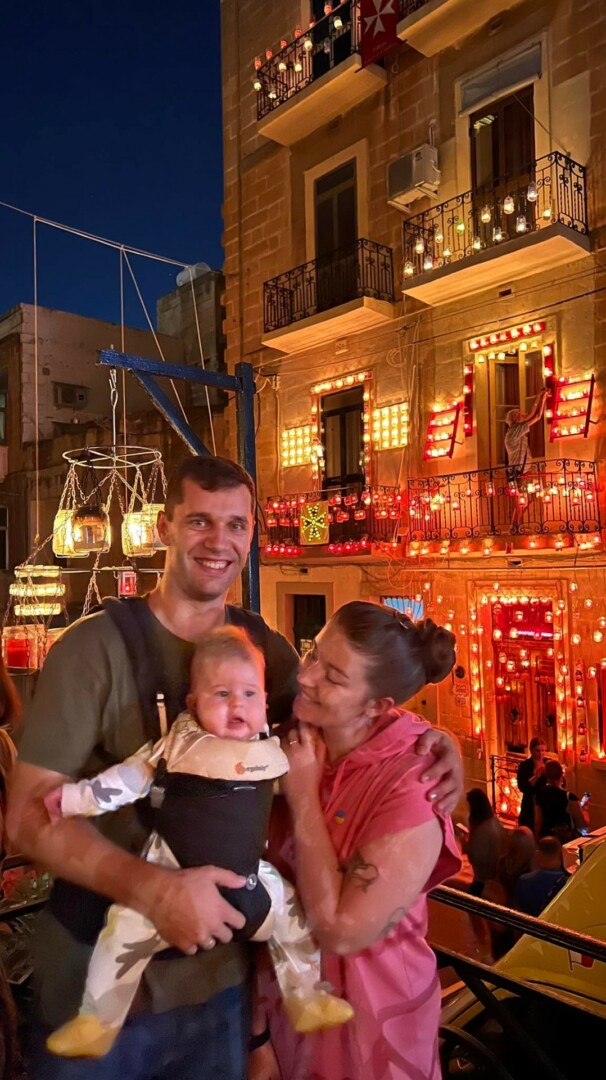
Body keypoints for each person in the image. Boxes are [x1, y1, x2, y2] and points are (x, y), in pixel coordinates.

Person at [7, 455, 464, 1080]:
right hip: (102, 988)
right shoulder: (92, 649)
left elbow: (348, 714)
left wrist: (433, 738)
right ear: (164, 527)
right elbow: (28, 817)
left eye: (236, 524)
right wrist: (153, 890)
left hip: (222, 991)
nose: (218, 541)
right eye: (199, 520)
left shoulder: (266, 651)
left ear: (251, 536)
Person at [44, 627, 351, 1058]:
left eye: (248, 694)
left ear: (265, 703)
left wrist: (417, 742)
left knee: (292, 917)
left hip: (249, 884)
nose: (237, 705)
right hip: (171, 878)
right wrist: (75, 799)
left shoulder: (274, 749)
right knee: (122, 932)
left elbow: (337, 752)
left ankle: (307, 998)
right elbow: (128, 780)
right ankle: (98, 1021)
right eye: (221, 694)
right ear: (193, 704)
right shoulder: (179, 744)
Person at [260, 601, 462, 1080]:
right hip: (279, 1014)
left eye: (332, 676)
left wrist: (303, 795)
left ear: (377, 706)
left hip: (370, 1027)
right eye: (313, 654)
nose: (306, 676)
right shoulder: (295, 735)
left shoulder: (414, 782)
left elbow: (342, 931)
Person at [504, 388, 549, 540]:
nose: (523, 416)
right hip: (518, 472)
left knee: (527, 498)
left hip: (524, 470)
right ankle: (515, 526)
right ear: (515, 420)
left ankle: (515, 525)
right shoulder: (514, 431)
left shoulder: (518, 430)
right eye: (520, 415)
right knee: (521, 500)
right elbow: (535, 416)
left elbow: (534, 415)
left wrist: (542, 398)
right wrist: (540, 397)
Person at [460, 788, 507, 897]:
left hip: (483, 880)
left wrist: (465, 844)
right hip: (495, 877)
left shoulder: (481, 832)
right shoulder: (496, 823)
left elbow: (476, 858)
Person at [513, 836, 569, 917]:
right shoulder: (569, 883)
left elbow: (517, 912)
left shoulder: (524, 881)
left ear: (537, 854)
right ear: (561, 854)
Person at [534, 760, 588, 842]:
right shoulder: (569, 797)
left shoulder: (540, 794)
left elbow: (538, 823)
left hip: (546, 840)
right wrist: (586, 811)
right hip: (564, 841)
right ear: (561, 775)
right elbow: (582, 825)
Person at [516, 737, 547, 829]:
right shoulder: (525, 765)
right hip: (530, 803)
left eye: (543, 750)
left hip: (544, 803)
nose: (541, 754)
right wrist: (536, 776)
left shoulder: (548, 762)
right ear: (531, 750)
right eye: (537, 751)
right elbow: (522, 787)